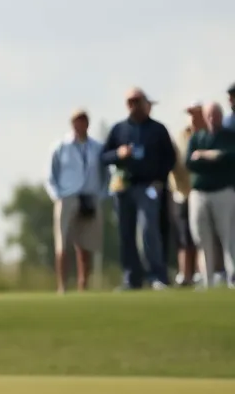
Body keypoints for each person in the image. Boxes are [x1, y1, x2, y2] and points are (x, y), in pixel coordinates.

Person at [102, 87, 176, 290]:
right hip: (124, 188)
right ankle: (131, 278)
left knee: (148, 231)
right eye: (130, 102)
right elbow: (104, 156)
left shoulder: (158, 129)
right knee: (126, 234)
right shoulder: (119, 129)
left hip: (148, 187)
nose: (134, 105)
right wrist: (119, 153)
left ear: (145, 103)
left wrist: (159, 179)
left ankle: (157, 276)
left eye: (138, 101)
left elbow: (169, 158)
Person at [45, 108, 108, 292]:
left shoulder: (97, 147)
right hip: (67, 197)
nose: (80, 124)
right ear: (72, 123)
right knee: (63, 242)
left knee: (85, 244)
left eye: (84, 120)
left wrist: (102, 194)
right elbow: (50, 174)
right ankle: (62, 285)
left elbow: (106, 174)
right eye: (77, 121)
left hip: (90, 196)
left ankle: (83, 284)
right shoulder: (61, 146)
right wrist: (57, 195)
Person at [185, 102, 235, 287]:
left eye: (216, 115)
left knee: (229, 237)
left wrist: (207, 156)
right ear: (206, 118)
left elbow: (230, 159)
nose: (213, 119)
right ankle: (207, 280)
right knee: (201, 237)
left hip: (224, 191)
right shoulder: (198, 138)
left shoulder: (229, 137)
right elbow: (189, 162)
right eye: (210, 115)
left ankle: (233, 278)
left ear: (221, 116)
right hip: (200, 193)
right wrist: (215, 157)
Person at [170, 102, 207, 286]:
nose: (193, 117)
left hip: (203, 193)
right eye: (190, 114)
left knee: (202, 236)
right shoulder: (180, 136)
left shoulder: (209, 134)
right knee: (184, 237)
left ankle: (203, 274)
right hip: (182, 193)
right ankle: (185, 275)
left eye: (196, 113)